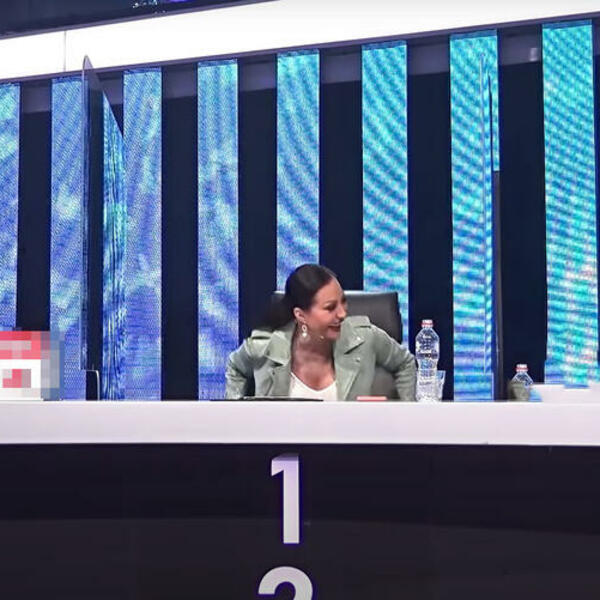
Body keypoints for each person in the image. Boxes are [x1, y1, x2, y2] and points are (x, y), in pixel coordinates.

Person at [225, 264, 416, 401]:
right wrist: (236, 416)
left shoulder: (365, 338)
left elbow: (405, 363)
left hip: (350, 444)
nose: (342, 314)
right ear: (301, 315)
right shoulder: (264, 347)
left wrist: (404, 416)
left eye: (343, 302)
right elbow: (236, 367)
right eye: (330, 307)